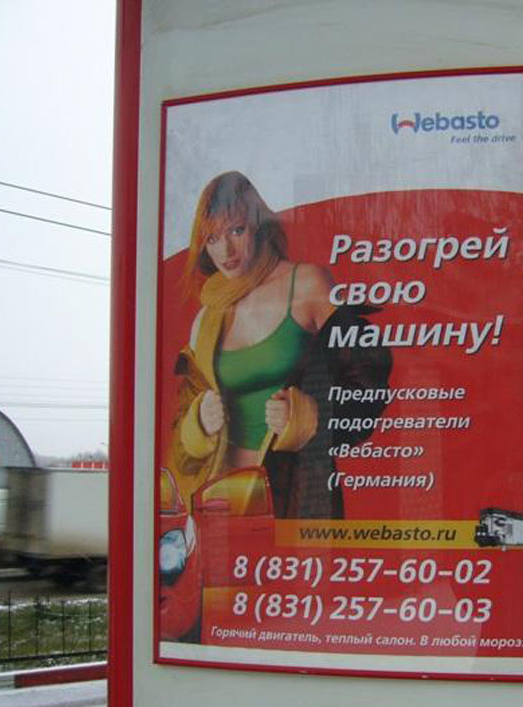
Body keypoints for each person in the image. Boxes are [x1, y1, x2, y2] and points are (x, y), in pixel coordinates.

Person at [167, 171, 391, 517]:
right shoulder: (208, 315)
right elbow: (181, 433)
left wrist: (306, 417)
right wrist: (198, 422)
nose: (225, 250)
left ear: (258, 224)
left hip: (299, 496)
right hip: (221, 498)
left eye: (236, 231)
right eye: (212, 238)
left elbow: (368, 381)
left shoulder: (307, 284)